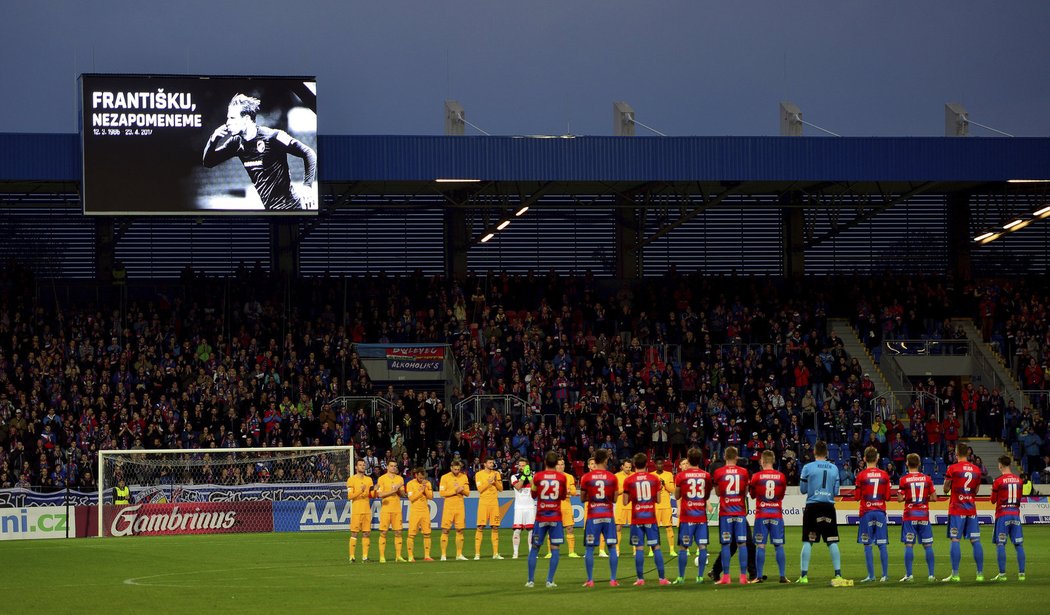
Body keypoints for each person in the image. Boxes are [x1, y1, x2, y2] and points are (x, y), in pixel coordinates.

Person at [202, 94, 317, 211]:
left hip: (291, 209)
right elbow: (208, 162)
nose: (227, 122)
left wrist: (307, 186)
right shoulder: (236, 143)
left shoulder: (273, 137)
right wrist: (214, 138)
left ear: (246, 119)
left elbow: (309, 153)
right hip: (271, 212)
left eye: (232, 118)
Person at [799, 440, 851, 586]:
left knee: (808, 541)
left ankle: (804, 576)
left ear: (814, 452)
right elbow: (835, 491)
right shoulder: (834, 468)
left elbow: (802, 489)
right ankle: (838, 574)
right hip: (828, 506)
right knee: (832, 541)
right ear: (827, 453)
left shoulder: (807, 467)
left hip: (812, 506)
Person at [622, 452, 670, 586]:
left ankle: (640, 579)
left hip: (636, 519)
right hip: (650, 517)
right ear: (647, 464)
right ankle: (662, 579)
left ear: (633, 465)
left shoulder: (629, 480)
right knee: (656, 547)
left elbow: (625, 502)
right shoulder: (654, 479)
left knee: (639, 549)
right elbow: (659, 500)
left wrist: (632, 496)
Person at [942, 442, 984, 582]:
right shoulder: (976, 470)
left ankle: (955, 574)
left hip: (957, 508)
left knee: (955, 539)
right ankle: (980, 574)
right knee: (975, 540)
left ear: (957, 453)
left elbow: (946, 489)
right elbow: (976, 490)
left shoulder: (952, 468)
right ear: (968, 453)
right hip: (971, 509)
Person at [526, 451, 568, 588]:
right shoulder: (562, 478)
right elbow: (562, 496)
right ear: (556, 464)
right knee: (555, 548)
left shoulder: (538, 477)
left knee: (535, 548)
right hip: (555, 517)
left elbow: (533, 495)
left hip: (541, 517)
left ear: (545, 462)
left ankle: (530, 581)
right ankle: (550, 580)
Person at [579, 450, 620, 587]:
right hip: (608, 515)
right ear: (606, 460)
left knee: (590, 548)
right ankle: (613, 579)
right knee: (612, 547)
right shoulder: (612, 477)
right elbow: (615, 499)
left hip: (593, 515)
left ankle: (590, 580)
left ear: (595, 460)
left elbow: (582, 498)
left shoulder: (587, 477)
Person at [749, 450, 789, 583]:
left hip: (762, 515)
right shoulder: (781, 476)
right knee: (779, 545)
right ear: (773, 461)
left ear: (762, 461)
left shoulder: (756, 477)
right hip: (776, 514)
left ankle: (759, 576)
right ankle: (782, 576)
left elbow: (753, 495)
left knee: (761, 545)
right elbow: (782, 495)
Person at [712, 446, 750, 585]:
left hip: (725, 512)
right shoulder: (744, 472)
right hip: (739, 511)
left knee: (726, 544)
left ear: (724, 456)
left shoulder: (718, 472)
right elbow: (745, 492)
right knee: (742, 544)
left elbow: (717, 493)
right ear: (737, 456)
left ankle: (726, 576)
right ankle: (743, 577)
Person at [674, 448, 711, 584]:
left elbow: (677, 495)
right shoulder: (706, 475)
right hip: (701, 516)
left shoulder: (681, 476)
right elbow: (707, 495)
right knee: (702, 546)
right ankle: (700, 577)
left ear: (688, 460)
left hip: (686, 517)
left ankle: (681, 577)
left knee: (683, 547)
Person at [898, 453, 937, 582]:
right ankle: (931, 575)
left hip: (909, 516)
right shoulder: (927, 479)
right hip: (924, 516)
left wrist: (904, 496)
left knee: (909, 545)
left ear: (907, 464)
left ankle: (909, 575)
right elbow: (934, 497)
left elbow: (899, 499)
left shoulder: (903, 480)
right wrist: (923, 500)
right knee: (928, 545)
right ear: (919, 464)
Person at [856, 446, 891, 582]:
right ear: (877, 458)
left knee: (867, 545)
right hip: (880, 512)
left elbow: (857, 497)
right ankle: (885, 575)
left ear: (864, 459)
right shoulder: (884, 475)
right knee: (882, 544)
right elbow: (888, 497)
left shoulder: (861, 475)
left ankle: (871, 576)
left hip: (866, 512)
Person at [990, 455, 1026, 581]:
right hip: (1015, 514)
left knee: (1000, 544)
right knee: (1019, 544)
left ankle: (1002, 574)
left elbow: (993, 501)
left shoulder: (998, 481)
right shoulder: (1019, 480)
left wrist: (992, 491)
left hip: (1003, 514)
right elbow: (1019, 499)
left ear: (1000, 465)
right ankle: (1022, 574)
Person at [375, 460, 407, 563]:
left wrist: (398, 489)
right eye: (391, 466)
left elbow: (403, 495)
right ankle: (382, 556)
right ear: (387, 467)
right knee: (383, 532)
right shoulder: (382, 479)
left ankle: (398, 556)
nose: (393, 468)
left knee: (398, 532)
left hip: (397, 509)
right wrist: (393, 491)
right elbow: (379, 494)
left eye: (395, 466)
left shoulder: (400, 479)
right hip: (386, 509)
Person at [439, 459, 470, 561]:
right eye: (455, 469)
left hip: (460, 507)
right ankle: (443, 555)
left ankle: (459, 554)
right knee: (445, 530)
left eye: (458, 469)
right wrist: (455, 491)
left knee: (460, 530)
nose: (457, 471)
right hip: (448, 507)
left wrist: (463, 490)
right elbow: (442, 493)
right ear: (451, 468)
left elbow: (467, 493)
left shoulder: (464, 477)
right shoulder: (445, 477)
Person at [474, 457, 504, 560]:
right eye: (490, 462)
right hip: (483, 503)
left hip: (494, 503)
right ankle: (477, 554)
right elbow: (480, 489)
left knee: (495, 527)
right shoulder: (479, 474)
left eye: (492, 462)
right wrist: (489, 482)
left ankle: (495, 554)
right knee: (480, 526)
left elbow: (501, 489)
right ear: (485, 464)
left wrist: (495, 482)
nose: (492, 464)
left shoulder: (496, 474)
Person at [550, 457, 579, 558]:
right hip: (554, 505)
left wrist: (565, 492)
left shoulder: (569, 477)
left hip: (566, 505)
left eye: (562, 464)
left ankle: (571, 552)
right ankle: (550, 552)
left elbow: (574, 491)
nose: (560, 466)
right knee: (551, 528)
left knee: (570, 528)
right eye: (558, 464)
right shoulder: (550, 477)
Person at [346, 458, 374, 563]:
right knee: (354, 533)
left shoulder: (369, 480)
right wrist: (360, 490)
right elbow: (349, 496)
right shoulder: (351, 480)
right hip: (357, 510)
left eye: (363, 465)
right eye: (360, 465)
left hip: (366, 510)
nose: (362, 466)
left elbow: (371, 494)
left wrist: (375, 490)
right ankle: (352, 557)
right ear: (356, 467)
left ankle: (365, 557)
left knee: (366, 533)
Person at [405, 467, 434, 562]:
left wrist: (425, 489)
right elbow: (411, 498)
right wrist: (420, 491)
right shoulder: (410, 484)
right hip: (415, 512)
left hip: (425, 511)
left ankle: (427, 555)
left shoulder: (428, 483)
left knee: (427, 533)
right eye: (420, 477)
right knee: (411, 535)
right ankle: (410, 556)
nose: (422, 479)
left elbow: (431, 497)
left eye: (423, 477)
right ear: (416, 475)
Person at [511, 459, 536, 559]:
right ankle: (515, 553)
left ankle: (531, 553)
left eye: (523, 466)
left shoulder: (533, 476)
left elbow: (534, 488)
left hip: (530, 506)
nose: (521, 467)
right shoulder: (514, 476)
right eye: (520, 465)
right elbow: (518, 487)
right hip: (519, 508)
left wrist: (529, 476)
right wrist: (523, 476)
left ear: (527, 466)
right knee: (517, 530)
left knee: (531, 531)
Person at [652, 456, 677, 552]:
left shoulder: (669, 475)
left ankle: (672, 549)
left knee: (669, 527)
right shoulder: (651, 475)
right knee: (654, 528)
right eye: (658, 464)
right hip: (655, 506)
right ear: (655, 465)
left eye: (661, 464)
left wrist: (664, 483)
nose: (660, 465)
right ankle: (652, 549)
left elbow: (672, 490)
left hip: (666, 505)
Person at [613, 458, 633, 549]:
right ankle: (617, 549)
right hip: (621, 505)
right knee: (618, 527)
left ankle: (635, 550)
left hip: (632, 505)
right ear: (622, 467)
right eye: (626, 467)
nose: (628, 469)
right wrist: (625, 490)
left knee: (634, 528)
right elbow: (615, 491)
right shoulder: (616, 476)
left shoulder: (634, 475)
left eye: (630, 467)